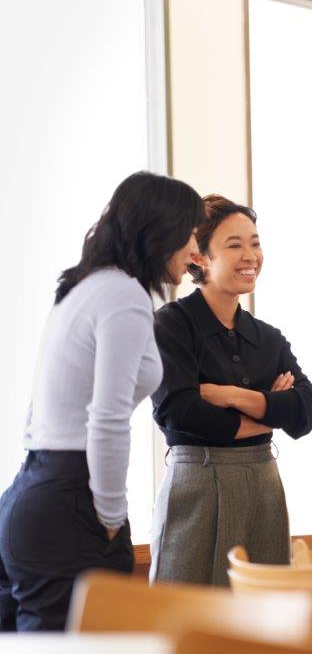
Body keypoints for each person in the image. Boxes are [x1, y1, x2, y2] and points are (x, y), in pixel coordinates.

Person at [0, 171, 205, 631]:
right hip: (69, 502)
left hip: (31, 493)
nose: (195, 250)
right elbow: (108, 417)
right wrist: (110, 517)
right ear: (161, 231)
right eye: (190, 234)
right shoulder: (124, 295)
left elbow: (40, 409)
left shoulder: (84, 285)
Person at [149, 195, 312, 586]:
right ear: (200, 257)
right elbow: (179, 412)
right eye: (235, 245)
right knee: (186, 612)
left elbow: (305, 411)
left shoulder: (268, 337)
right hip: (196, 483)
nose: (250, 256)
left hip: (264, 485)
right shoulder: (171, 324)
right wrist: (269, 411)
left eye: (255, 243)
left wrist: (230, 397)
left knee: (263, 613)